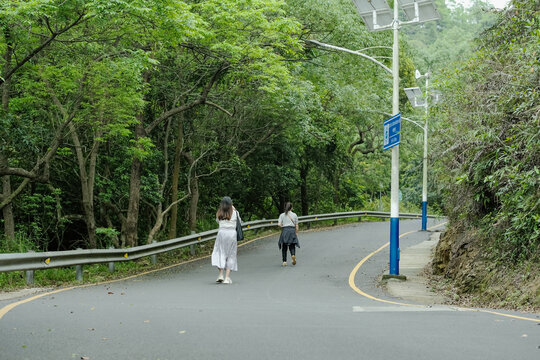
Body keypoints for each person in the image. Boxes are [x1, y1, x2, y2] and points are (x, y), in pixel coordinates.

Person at [212, 196, 240, 284]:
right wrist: (235, 210)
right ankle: (227, 278)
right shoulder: (235, 213)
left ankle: (220, 274)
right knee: (231, 255)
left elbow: (217, 221)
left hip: (221, 233)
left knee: (219, 253)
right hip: (231, 234)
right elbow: (239, 222)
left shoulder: (219, 213)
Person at [278, 202, 300, 266]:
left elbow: (279, 224)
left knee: (284, 246)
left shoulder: (282, 215)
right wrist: (296, 232)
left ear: (285, 207)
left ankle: (284, 261)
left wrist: (282, 226)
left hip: (285, 231)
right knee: (292, 245)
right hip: (292, 231)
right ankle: (293, 255)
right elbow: (296, 225)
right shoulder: (294, 215)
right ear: (291, 208)